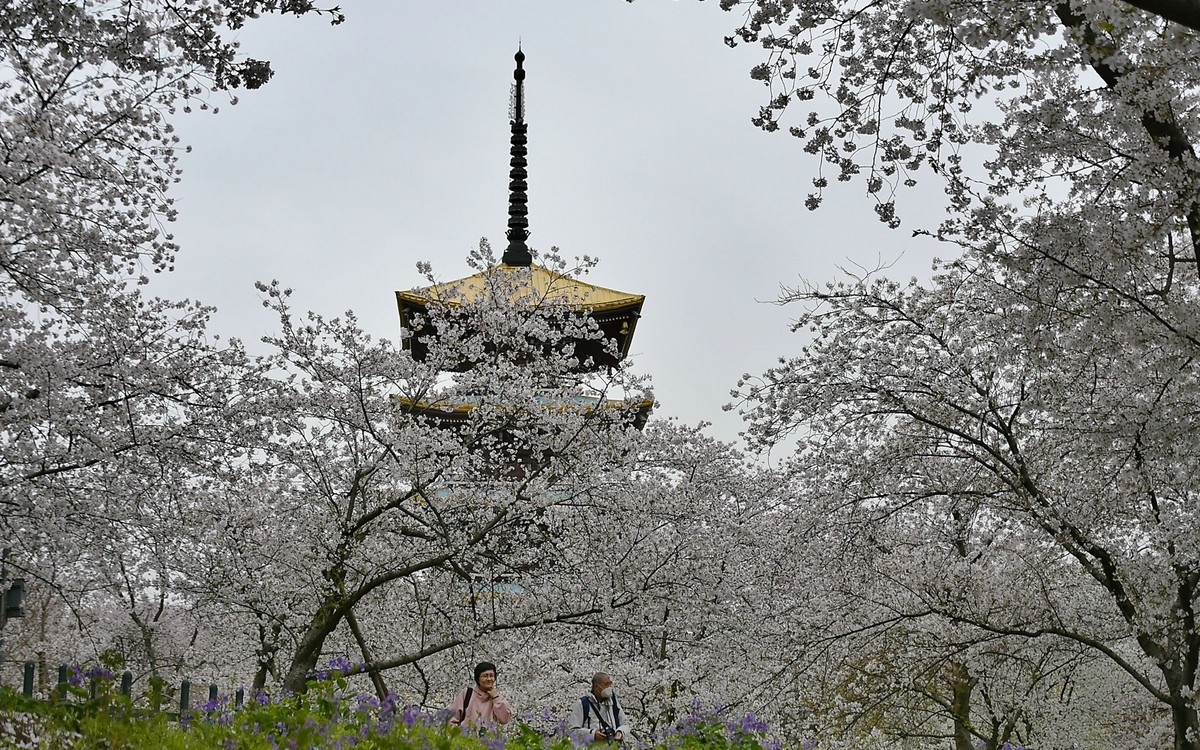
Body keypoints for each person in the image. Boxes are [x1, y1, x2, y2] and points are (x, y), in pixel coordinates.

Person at [569, 671, 633, 743]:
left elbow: (626, 724)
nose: (609, 688)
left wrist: (620, 732)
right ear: (596, 686)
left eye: (610, 684)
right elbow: (572, 731)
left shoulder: (613, 702)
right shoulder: (583, 704)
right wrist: (593, 734)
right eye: (606, 685)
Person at [446, 661, 513, 727]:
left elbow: (505, 719)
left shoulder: (497, 699)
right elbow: (451, 719)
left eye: (491, 676)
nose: (489, 679)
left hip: (488, 737)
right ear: (478, 678)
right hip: (465, 736)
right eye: (485, 676)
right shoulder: (467, 694)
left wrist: (496, 698)